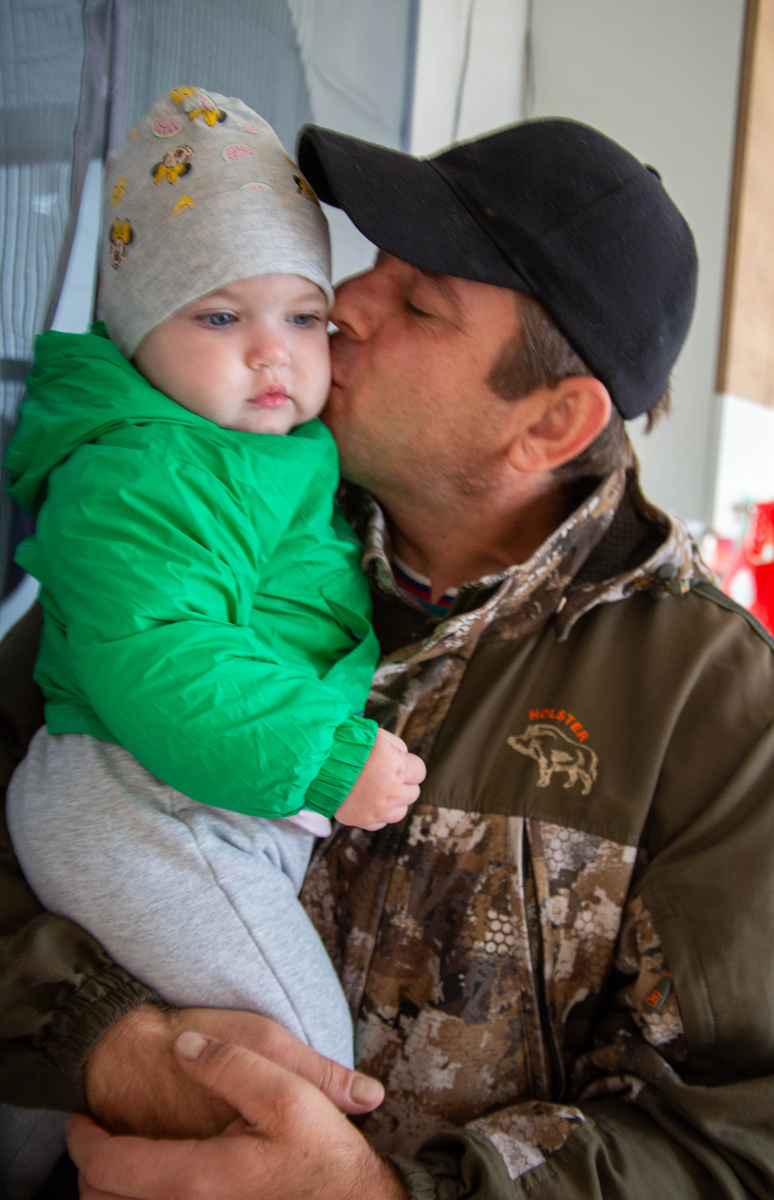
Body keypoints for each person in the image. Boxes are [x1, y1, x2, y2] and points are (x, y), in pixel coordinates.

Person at [3, 115, 774, 1200]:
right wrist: (110, 1044)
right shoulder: (211, 512)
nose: (350, 306)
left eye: (420, 302)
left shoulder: (725, 717)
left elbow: (757, 1144)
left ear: (550, 422)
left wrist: (377, 1194)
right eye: (371, 260)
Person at [4, 85, 424, 1077]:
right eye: (221, 314)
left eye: (303, 315)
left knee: (47, 1117)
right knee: (301, 1060)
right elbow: (159, 648)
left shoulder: (255, 449)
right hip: (139, 795)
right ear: (137, 339)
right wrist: (322, 757)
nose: (272, 349)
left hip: (193, 795)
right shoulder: (145, 466)